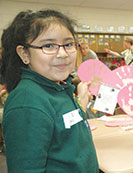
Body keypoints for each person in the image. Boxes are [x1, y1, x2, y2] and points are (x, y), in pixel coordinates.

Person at [0, 9, 99, 172]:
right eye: (48, 46)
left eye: (68, 44)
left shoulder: (59, 86)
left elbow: (63, 126)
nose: (62, 54)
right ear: (24, 53)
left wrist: (81, 101)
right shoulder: (27, 103)